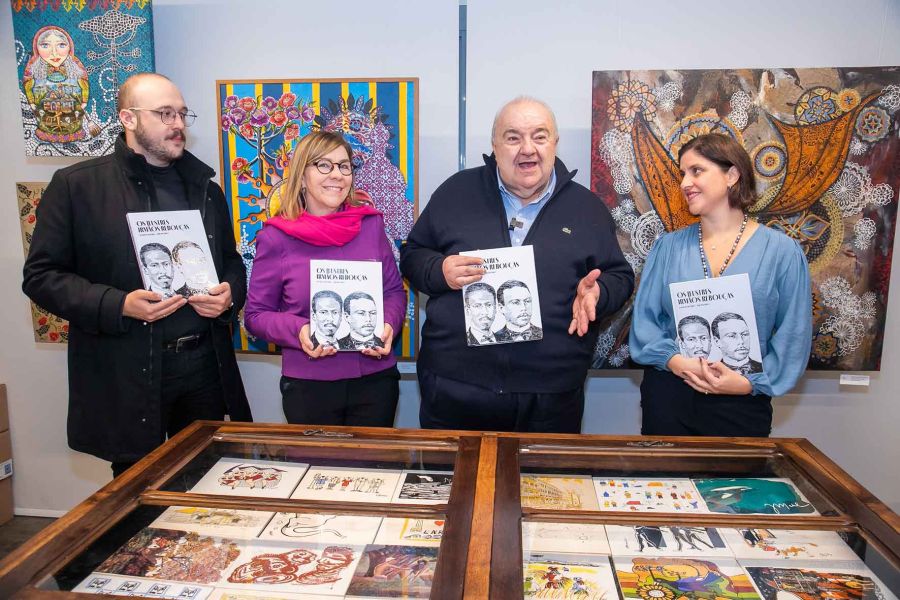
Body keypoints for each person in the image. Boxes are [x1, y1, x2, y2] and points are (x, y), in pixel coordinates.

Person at [22, 73, 251, 477]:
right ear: (128, 118)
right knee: (135, 492)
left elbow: (230, 260)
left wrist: (230, 292)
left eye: (182, 114)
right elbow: (41, 276)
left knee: (205, 481)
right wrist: (118, 304)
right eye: (165, 114)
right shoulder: (78, 186)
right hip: (127, 368)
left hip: (202, 364)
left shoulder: (205, 189)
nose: (178, 124)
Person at [401, 96, 634, 433]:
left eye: (539, 136)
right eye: (513, 137)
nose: (528, 149)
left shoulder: (587, 208)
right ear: (495, 146)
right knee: (453, 484)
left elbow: (620, 276)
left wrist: (600, 292)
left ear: (554, 143)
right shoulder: (456, 192)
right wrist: (439, 272)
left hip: (550, 393)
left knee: (545, 486)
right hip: (455, 387)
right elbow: (413, 254)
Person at [630, 133, 812, 437]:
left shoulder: (782, 252)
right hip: (669, 398)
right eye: (682, 174)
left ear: (732, 175)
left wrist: (746, 383)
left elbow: (794, 333)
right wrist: (675, 362)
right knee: (666, 485)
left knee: (737, 485)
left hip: (741, 405)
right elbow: (645, 321)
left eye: (696, 171)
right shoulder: (668, 248)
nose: (684, 183)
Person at [244, 130, 405, 427]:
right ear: (302, 176)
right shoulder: (276, 236)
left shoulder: (370, 225)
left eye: (344, 166)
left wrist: (388, 325)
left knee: (376, 472)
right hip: (309, 385)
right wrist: (299, 329)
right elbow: (255, 316)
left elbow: (394, 291)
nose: (337, 175)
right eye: (324, 165)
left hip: (374, 380)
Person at [22, 26, 92, 143]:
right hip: (46, 117)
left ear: (70, 47)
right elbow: (28, 86)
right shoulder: (34, 71)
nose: (54, 53)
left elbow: (84, 85)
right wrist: (32, 103)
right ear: (37, 49)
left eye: (61, 45)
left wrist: (84, 102)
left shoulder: (76, 69)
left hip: (71, 116)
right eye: (45, 45)